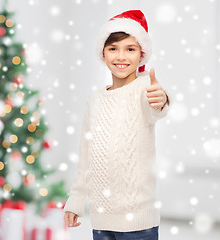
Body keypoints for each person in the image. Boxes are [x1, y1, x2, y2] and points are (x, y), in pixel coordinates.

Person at [63, 9, 171, 240]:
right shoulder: (95, 100)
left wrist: (160, 100)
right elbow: (86, 156)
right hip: (102, 220)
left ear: (141, 55)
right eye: (113, 49)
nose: (121, 56)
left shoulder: (144, 90)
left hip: (139, 222)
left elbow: (156, 107)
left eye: (130, 49)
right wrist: (76, 200)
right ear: (102, 54)